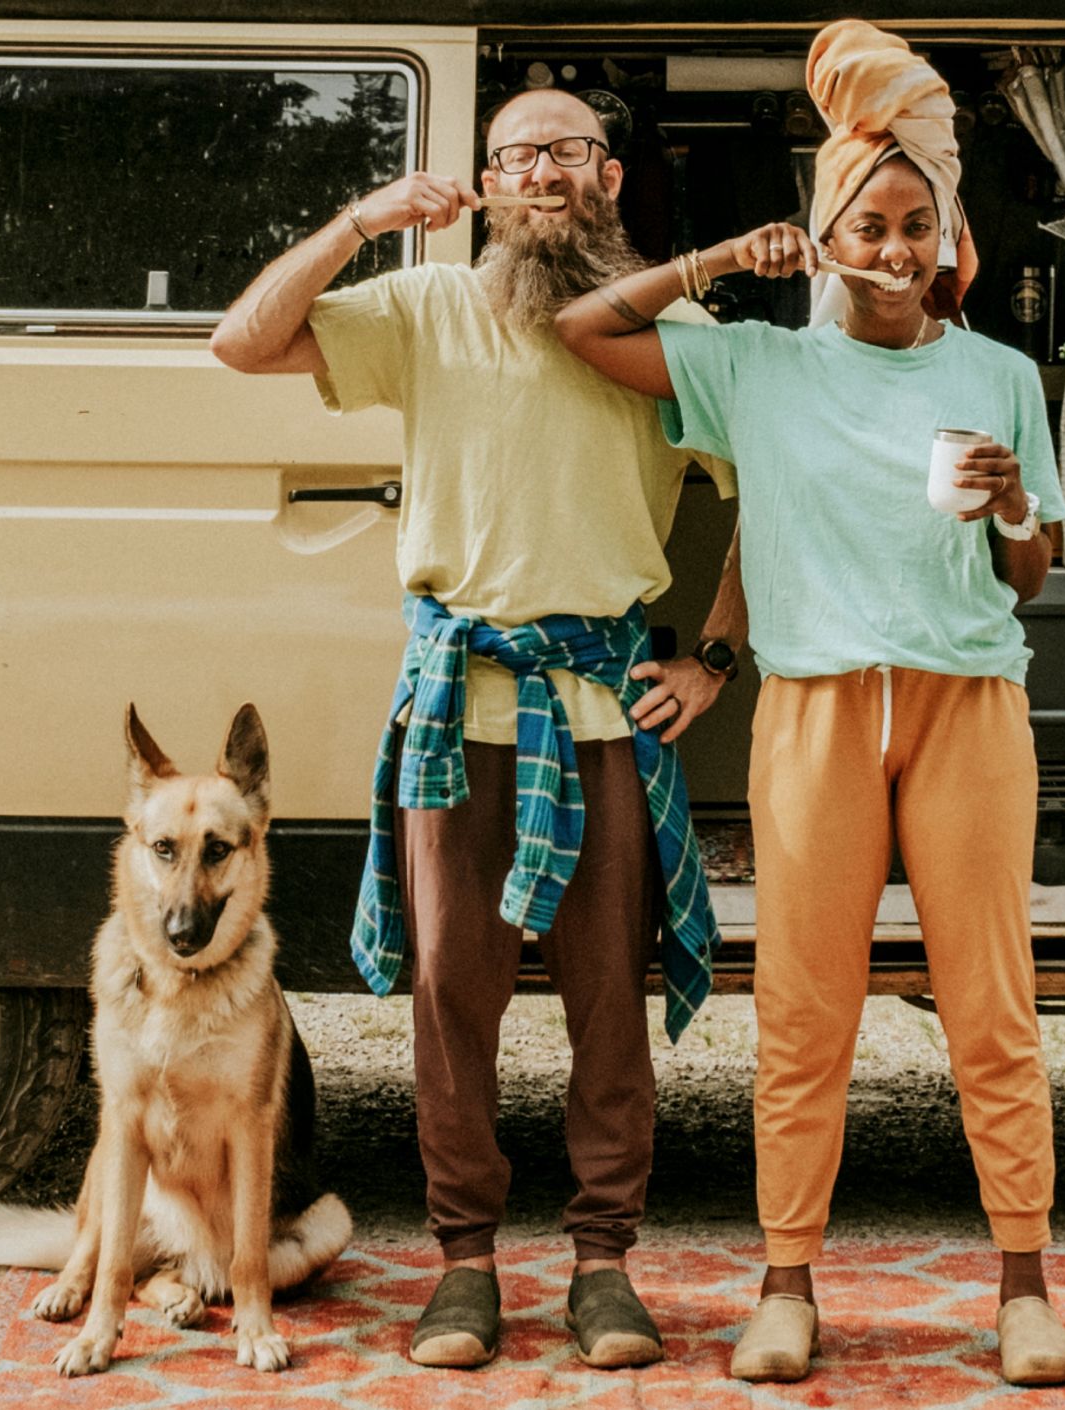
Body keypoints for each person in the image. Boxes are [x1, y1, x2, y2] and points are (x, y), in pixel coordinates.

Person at [554, 20, 1065, 1390]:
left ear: (946, 232)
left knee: (994, 1007)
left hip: (968, 703)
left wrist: (1015, 501)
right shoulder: (757, 369)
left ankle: (1026, 1288)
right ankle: (785, 1285)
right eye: (871, 222)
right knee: (802, 1008)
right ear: (827, 230)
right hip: (815, 710)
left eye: (919, 224)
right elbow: (581, 325)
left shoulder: (1002, 378)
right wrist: (733, 257)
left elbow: (1029, 573)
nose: (898, 250)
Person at [210, 87, 733, 1372]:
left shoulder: (680, 327)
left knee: (611, 999)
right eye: (515, 153)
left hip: (603, 706)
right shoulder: (425, 307)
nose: (541, 172)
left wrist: (714, 656)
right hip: (456, 708)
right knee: (454, 996)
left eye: (565, 151)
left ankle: (604, 1267)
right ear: (486, 180)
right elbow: (241, 341)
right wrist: (361, 220)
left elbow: (780, 488)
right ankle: (465, 1268)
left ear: (608, 178)